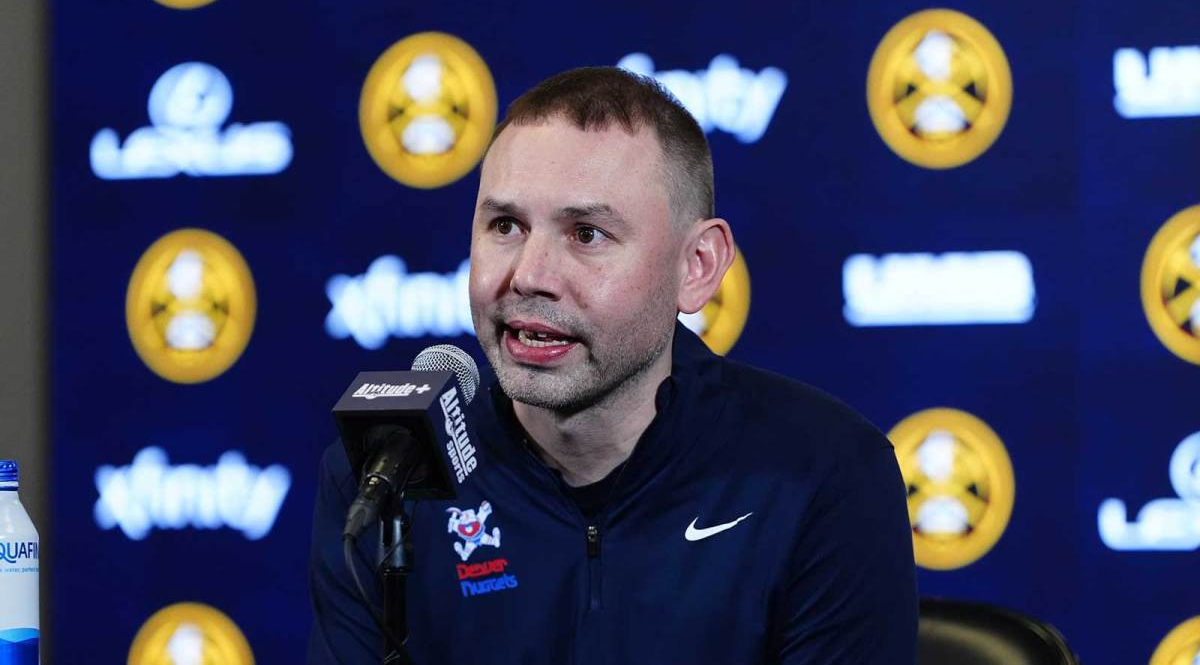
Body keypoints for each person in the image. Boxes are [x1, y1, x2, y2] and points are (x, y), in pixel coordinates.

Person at [308, 66, 917, 664]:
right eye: (505, 225)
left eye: (587, 234)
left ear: (697, 266)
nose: (530, 275)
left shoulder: (823, 474)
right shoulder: (387, 473)